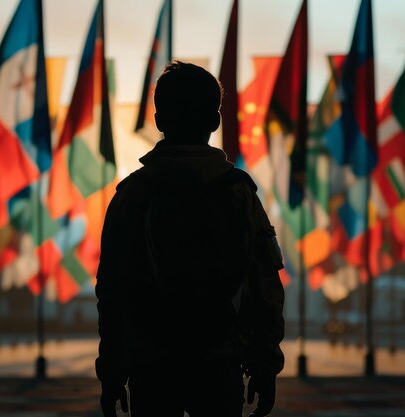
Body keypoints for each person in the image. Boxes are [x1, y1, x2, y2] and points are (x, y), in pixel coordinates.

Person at [95, 60, 285, 417]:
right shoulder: (238, 193)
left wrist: (111, 371)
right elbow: (264, 287)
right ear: (214, 121)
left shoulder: (132, 194)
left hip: (152, 365)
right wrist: (265, 364)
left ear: (159, 120)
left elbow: (112, 290)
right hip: (218, 360)